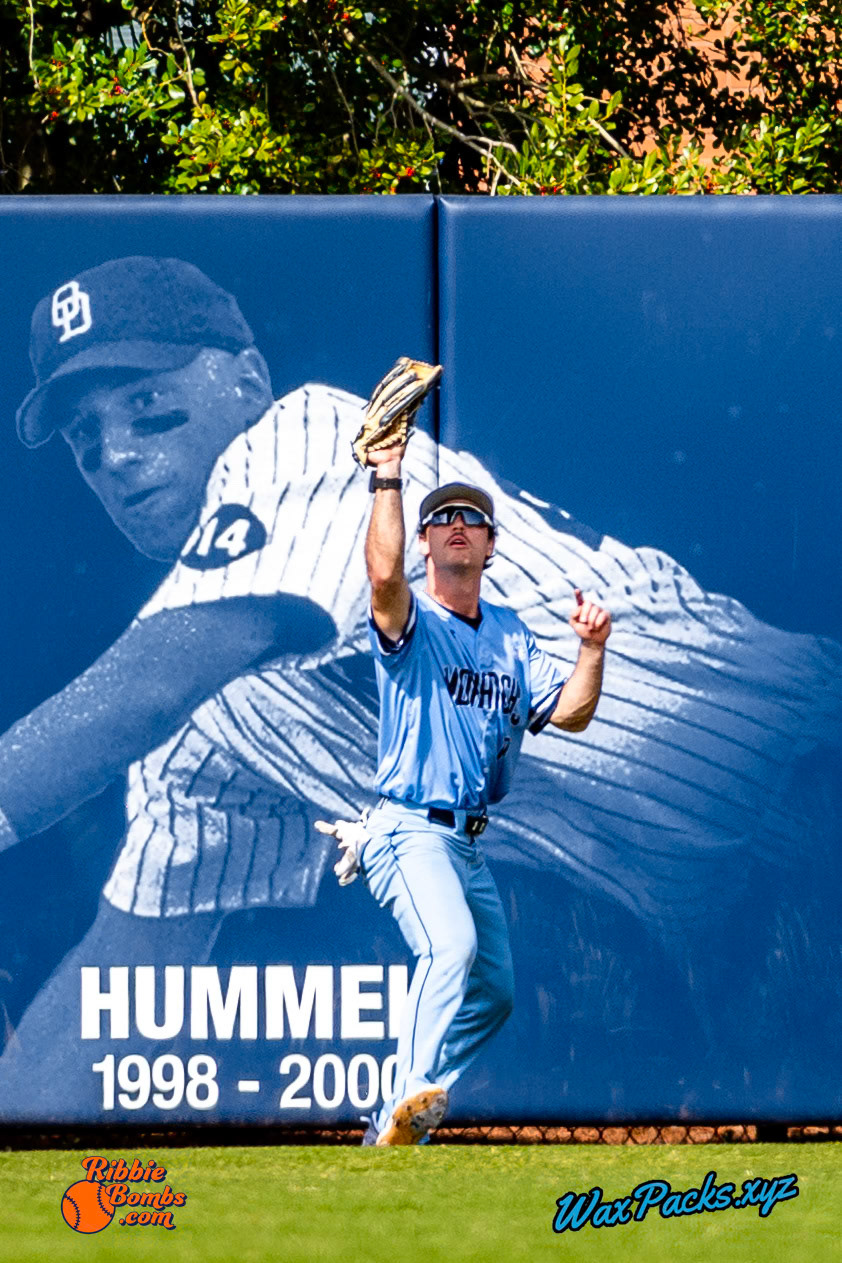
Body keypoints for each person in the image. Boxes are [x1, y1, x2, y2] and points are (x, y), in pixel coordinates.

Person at [1, 252, 840, 1122]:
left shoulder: (313, 440)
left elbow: (150, 681)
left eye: (146, 403)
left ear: (248, 379)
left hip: (804, 759)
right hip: (722, 909)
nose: (117, 453)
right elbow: (134, 955)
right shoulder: (201, 714)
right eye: (84, 436)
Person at [354, 439, 610, 1145]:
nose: (456, 522)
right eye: (442, 517)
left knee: (493, 993)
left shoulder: (510, 635)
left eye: (472, 516)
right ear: (427, 542)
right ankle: (398, 1117)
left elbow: (571, 712)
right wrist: (389, 476)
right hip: (408, 825)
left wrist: (591, 651)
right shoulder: (414, 618)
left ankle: (411, 1106)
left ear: (491, 545)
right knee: (451, 948)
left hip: (466, 841)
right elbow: (381, 576)